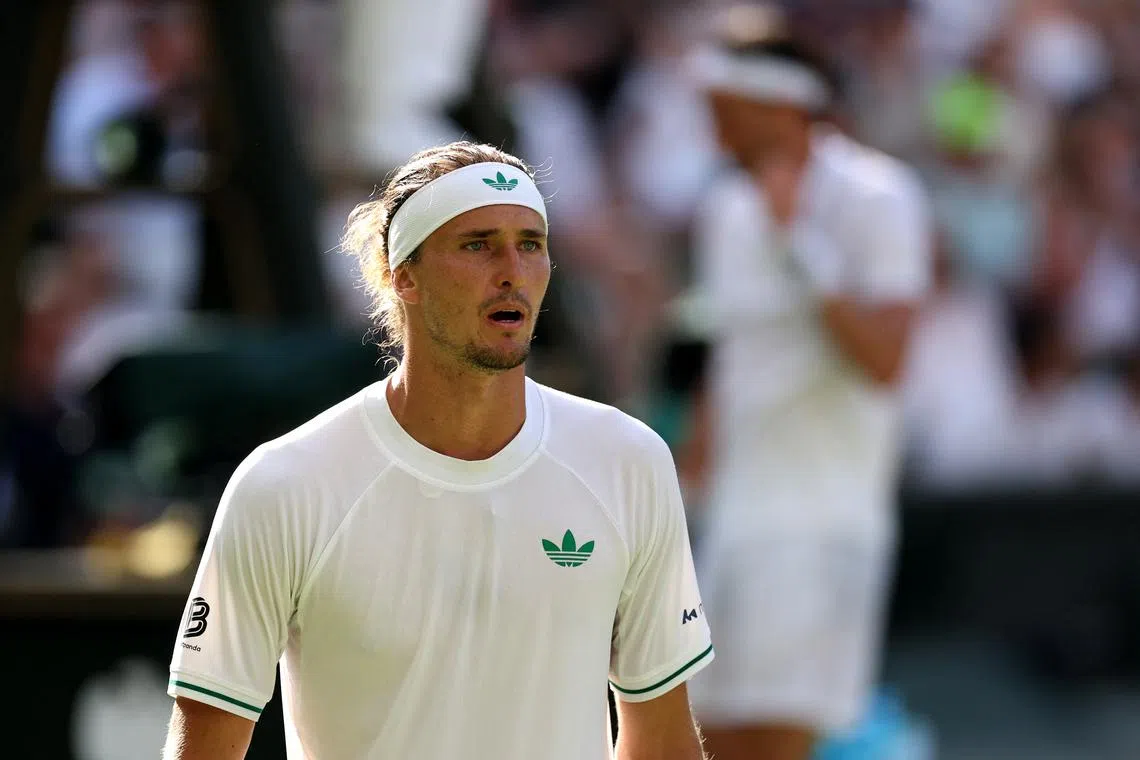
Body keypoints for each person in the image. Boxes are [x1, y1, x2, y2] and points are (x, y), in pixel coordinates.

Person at [162, 141, 714, 760]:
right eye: (477, 244)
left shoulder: (628, 462)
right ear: (405, 276)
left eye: (530, 244)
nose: (512, 270)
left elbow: (663, 742)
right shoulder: (285, 483)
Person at [681, 8, 932, 760]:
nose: (707, 117)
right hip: (736, 516)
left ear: (779, 105)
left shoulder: (878, 196)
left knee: (776, 740)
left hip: (824, 523)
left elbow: (886, 359)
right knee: (701, 737)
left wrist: (802, 246)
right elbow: (729, 362)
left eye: (723, 103)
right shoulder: (724, 208)